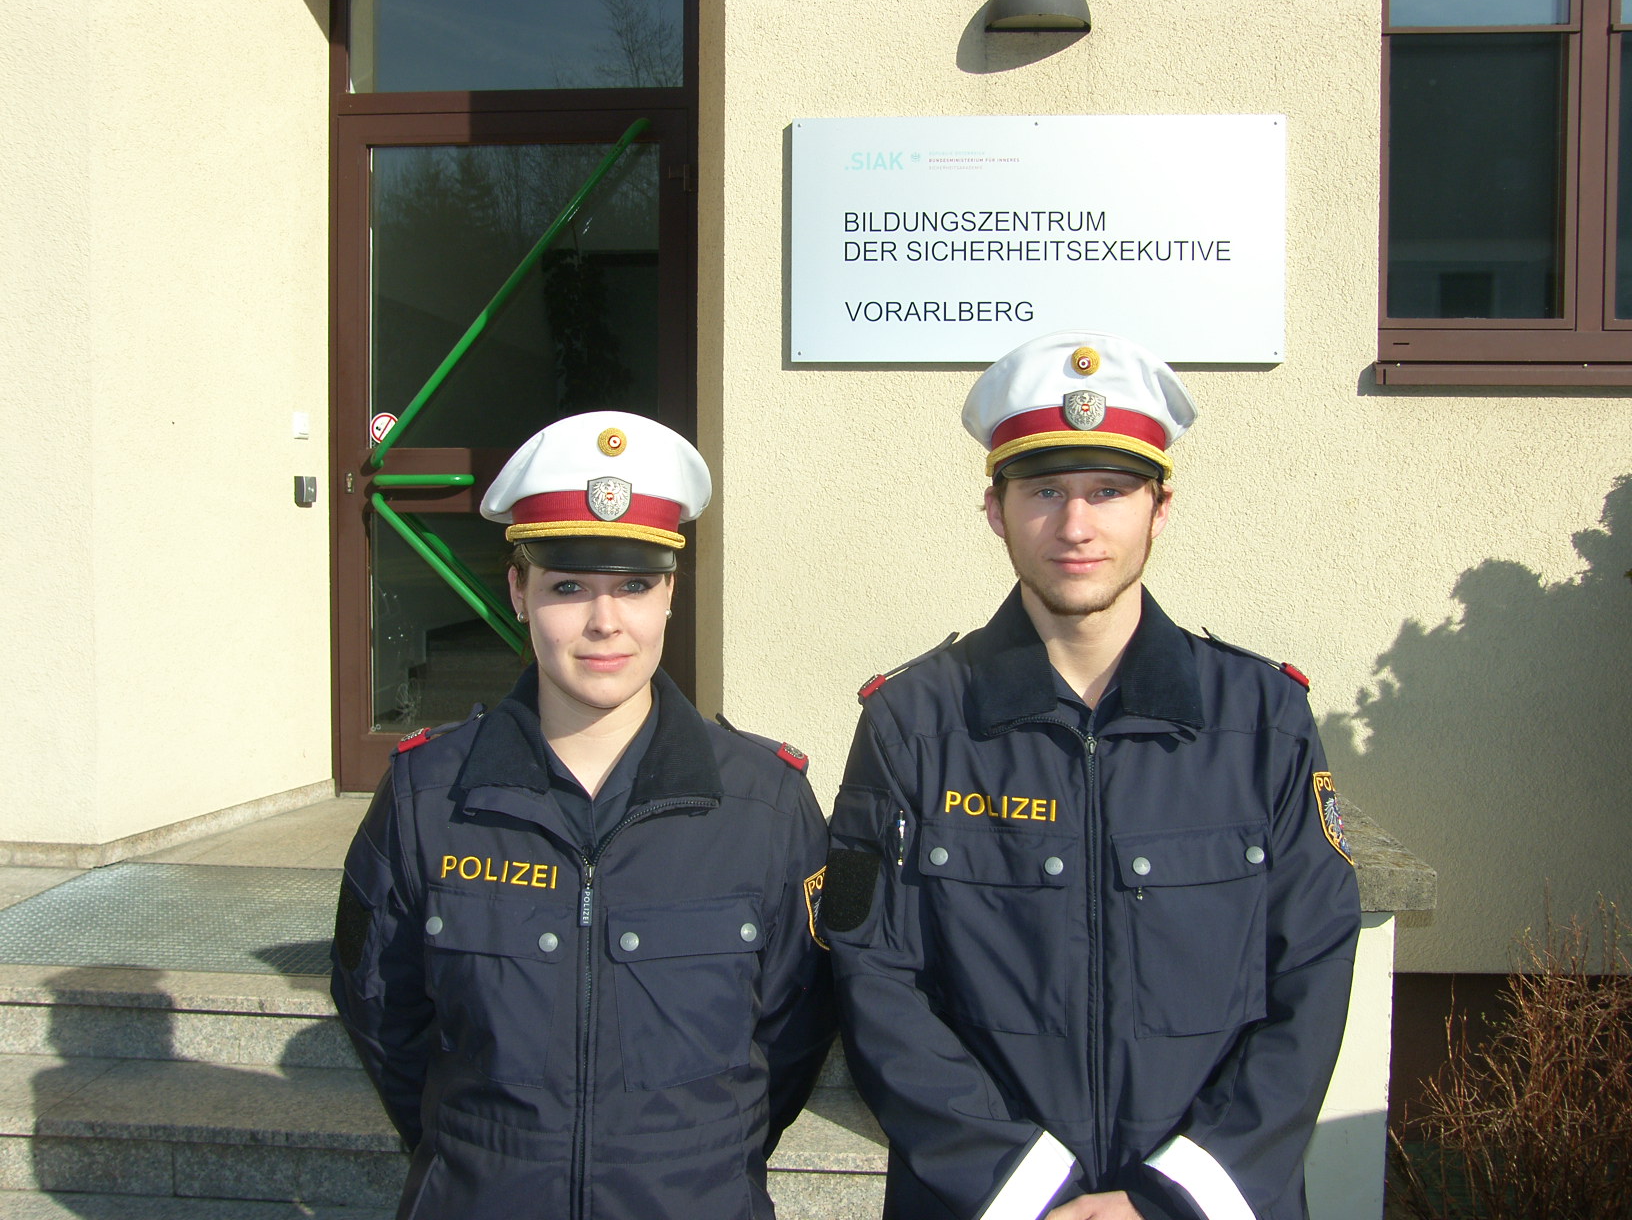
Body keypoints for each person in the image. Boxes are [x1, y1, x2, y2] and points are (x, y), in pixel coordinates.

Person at [820, 331, 1361, 1220]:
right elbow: (873, 978)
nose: (1076, 527)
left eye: (1109, 491)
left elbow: (1311, 973)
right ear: (995, 510)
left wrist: (1170, 1197)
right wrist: (1029, 1192)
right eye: (1044, 491)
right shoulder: (912, 723)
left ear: (1160, 508)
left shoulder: (1263, 721)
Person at [331, 411, 834, 1220]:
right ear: (518, 593)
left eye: (634, 586)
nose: (605, 622)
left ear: (670, 595)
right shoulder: (429, 794)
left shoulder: (764, 803)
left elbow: (796, 1032)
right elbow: (381, 1012)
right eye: (568, 587)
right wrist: (488, 1153)